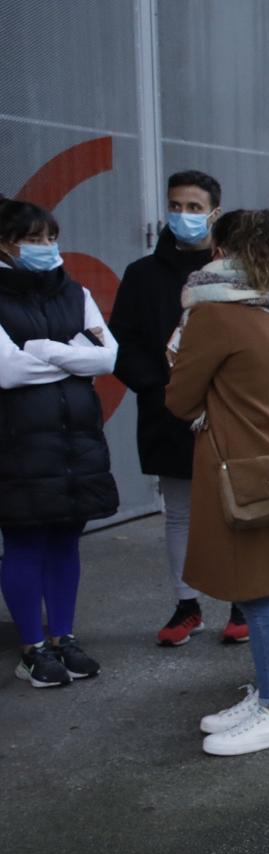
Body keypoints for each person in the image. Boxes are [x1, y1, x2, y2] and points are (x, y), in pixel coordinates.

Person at [166, 209, 269, 756]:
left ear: (224, 252)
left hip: (238, 467)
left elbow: (181, 398)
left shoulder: (214, 315)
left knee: (257, 594)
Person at [111, 169, 249, 647]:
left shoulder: (236, 272)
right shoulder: (142, 275)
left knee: (235, 508)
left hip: (230, 411)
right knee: (180, 512)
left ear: (215, 212)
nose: (183, 216)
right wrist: (158, 388)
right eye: (176, 205)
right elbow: (122, 343)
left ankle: (241, 602)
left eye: (194, 207)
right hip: (167, 412)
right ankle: (186, 605)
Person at [0, 201, 118, 689]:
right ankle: (32, 647)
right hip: (17, 442)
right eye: (35, 239)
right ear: (7, 244)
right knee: (25, 541)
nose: (47, 248)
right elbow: (7, 370)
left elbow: (108, 357)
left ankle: (63, 637)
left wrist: (44, 351)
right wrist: (72, 355)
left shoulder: (77, 292)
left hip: (75, 442)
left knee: (67, 540)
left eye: (51, 238)